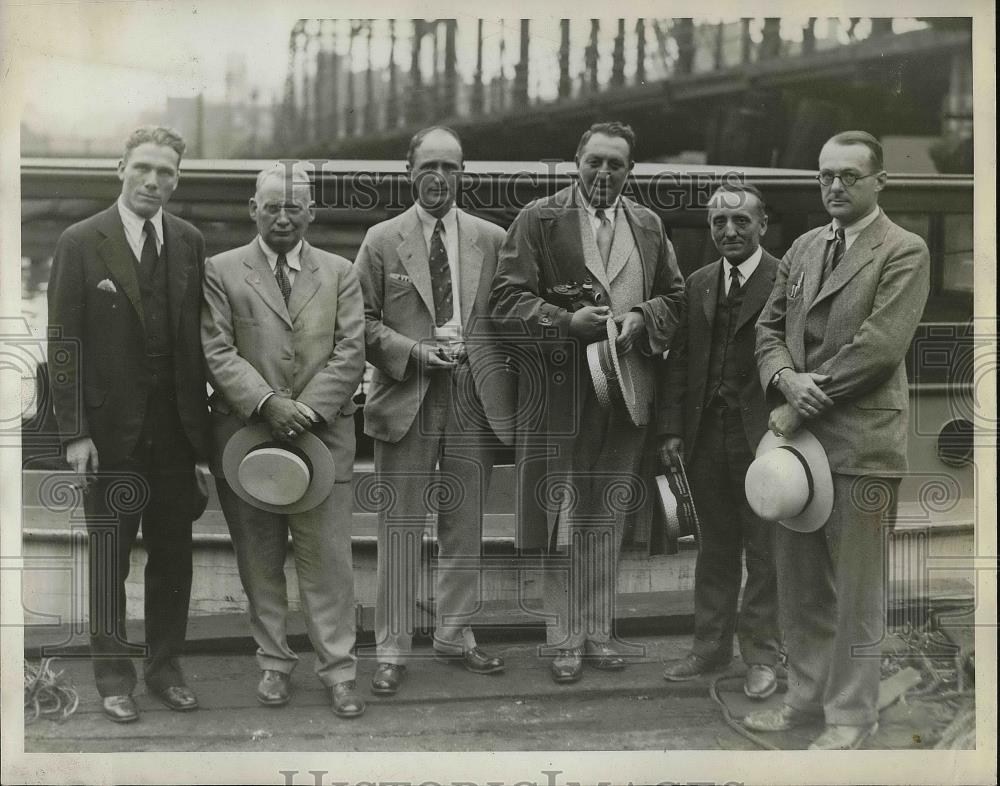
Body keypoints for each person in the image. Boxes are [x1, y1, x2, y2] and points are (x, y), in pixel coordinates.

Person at [746, 130, 930, 749]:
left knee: (856, 592)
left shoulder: (903, 250)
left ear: (880, 182)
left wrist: (798, 401)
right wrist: (782, 377)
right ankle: (805, 701)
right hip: (798, 451)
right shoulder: (802, 247)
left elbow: (878, 348)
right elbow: (768, 328)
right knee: (800, 586)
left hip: (861, 444)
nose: (834, 186)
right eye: (825, 175)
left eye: (849, 176)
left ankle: (851, 716)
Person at [490, 121, 684, 684]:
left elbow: (675, 298)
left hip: (627, 395)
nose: (603, 172)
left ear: (630, 170)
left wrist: (643, 317)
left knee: (609, 514)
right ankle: (563, 638)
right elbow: (505, 301)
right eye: (594, 161)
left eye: (615, 164)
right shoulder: (539, 218)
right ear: (577, 161)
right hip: (561, 397)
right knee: (563, 517)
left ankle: (598, 631)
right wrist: (564, 321)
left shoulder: (648, 225)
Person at [47, 126, 209, 723]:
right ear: (120, 168)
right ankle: (114, 679)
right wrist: (75, 433)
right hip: (109, 433)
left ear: (177, 180)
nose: (152, 181)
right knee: (109, 559)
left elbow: (198, 342)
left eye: (166, 172)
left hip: (175, 433)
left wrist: (201, 444)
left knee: (174, 557)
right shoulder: (80, 240)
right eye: (143, 167)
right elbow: (63, 344)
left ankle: (166, 670)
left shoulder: (189, 241)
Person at [201, 162, 367, 718]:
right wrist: (268, 404)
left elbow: (351, 351)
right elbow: (217, 350)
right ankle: (273, 662)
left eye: (294, 207)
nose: (282, 217)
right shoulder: (221, 271)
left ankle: (339, 670)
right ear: (254, 209)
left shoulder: (341, 272)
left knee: (329, 561)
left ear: (311, 213)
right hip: (247, 437)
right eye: (272, 206)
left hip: (323, 438)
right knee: (259, 557)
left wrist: (307, 410)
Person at [354, 126, 515, 696]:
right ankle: (392, 648)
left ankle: (454, 633)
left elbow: (511, 316)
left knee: (465, 524)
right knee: (399, 524)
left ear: (462, 174)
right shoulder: (381, 240)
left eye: (450, 167)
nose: (439, 177)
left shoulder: (492, 239)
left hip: (473, 397)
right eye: (429, 167)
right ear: (409, 172)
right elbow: (358, 322)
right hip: (407, 394)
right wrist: (413, 351)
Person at [658, 183, 780, 698]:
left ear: (762, 225)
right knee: (714, 547)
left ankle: (762, 656)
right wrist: (671, 429)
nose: (729, 231)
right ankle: (709, 648)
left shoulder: (785, 279)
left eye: (741, 221)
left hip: (765, 439)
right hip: (706, 436)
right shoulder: (700, 282)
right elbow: (681, 360)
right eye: (719, 223)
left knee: (766, 550)